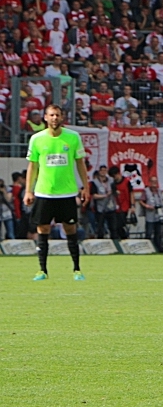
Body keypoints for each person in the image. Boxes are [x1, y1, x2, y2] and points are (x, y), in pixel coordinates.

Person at [24, 105, 91, 281]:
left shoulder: (73, 137)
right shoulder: (37, 139)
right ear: (45, 117)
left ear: (62, 118)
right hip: (44, 192)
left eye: (57, 115)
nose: (54, 118)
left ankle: (77, 269)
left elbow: (80, 163)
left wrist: (85, 186)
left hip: (67, 193)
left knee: (70, 229)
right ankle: (42, 270)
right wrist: (28, 191)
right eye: (51, 115)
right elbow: (32, 166)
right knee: (42, 229)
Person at [90, 166, 118, 239]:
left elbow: (115, 191)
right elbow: (94, 195)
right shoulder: (95, 182)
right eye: (101, 170)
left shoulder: (111, 180)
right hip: (100, 208)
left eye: (105, 170)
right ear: (99, 171)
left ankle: (114, 242)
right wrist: (105, 195)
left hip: (111, 206)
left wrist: (115, 192)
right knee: (100, 227)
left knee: (113, 227)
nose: (103, 172)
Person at [139, 176, 163, 252]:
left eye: (155, 181)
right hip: (150, 214)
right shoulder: (146, 191)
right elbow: (141, 201)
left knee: (158, 233)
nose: (154, 183)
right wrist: (147, 206)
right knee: (149, 233)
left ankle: (158, 248)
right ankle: (148, 248)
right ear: (150, 182)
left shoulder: (159, 191)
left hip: (158, 215)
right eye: (152, 181)